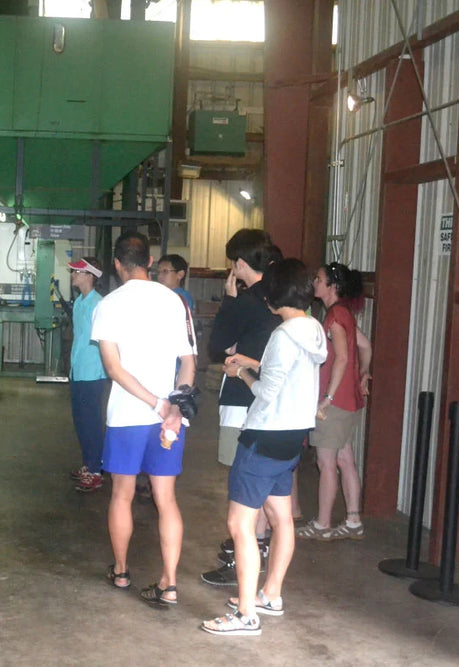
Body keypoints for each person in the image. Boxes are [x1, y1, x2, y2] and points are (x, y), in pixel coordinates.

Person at [201, 258, 327, 637]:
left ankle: (245, 615)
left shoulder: (283, 335)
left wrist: (241, 371)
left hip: (263, 436)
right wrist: (254, 362)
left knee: (239, 524)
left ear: (274, 293)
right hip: (291, 437)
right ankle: (270, 595)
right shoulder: (312, 329)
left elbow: (267, 391)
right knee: (281, 518)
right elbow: (289, 373)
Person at [91, 232, 196, 605]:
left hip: (127, 417)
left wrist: (156, 404)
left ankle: (121, 571)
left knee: (122, 494)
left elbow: (114, 369)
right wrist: (174, 407)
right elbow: (188, 362)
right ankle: (169, 583)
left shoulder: (108, 305)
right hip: (169, 422)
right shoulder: (174, 301)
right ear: (150, 262)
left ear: (117, 265)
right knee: (166, 499)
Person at [201, 229, 281, 587]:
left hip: (242, 395)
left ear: (240, 264)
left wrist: (230, 301)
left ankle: (243, 556)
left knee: (243, 484)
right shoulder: (279, 297)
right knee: (262, 485)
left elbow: (217, 346)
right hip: (272, 401)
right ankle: (258, 547)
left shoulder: (247, 301)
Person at [296, 262, 371, 541]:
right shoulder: (343, 313)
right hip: (348, 400)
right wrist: (363, 373)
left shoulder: (335, 316)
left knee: (326, 461)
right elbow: (365, 346)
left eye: (319, 279)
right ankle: (353, 520)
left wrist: (327, 398)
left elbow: (341, 358)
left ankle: (323, 524)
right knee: (344, 458)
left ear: (332, 286)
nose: (315, 282)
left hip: (335, 402)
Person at [66, 257, 110, 493]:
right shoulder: (79, 303)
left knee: (92, 421)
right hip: (78, 369)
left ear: (90, 276)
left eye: (77, 271)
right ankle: (89, 463)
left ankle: (96, 470)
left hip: (93, 372)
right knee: (81, 420)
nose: (73, 274)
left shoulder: (99, 304)